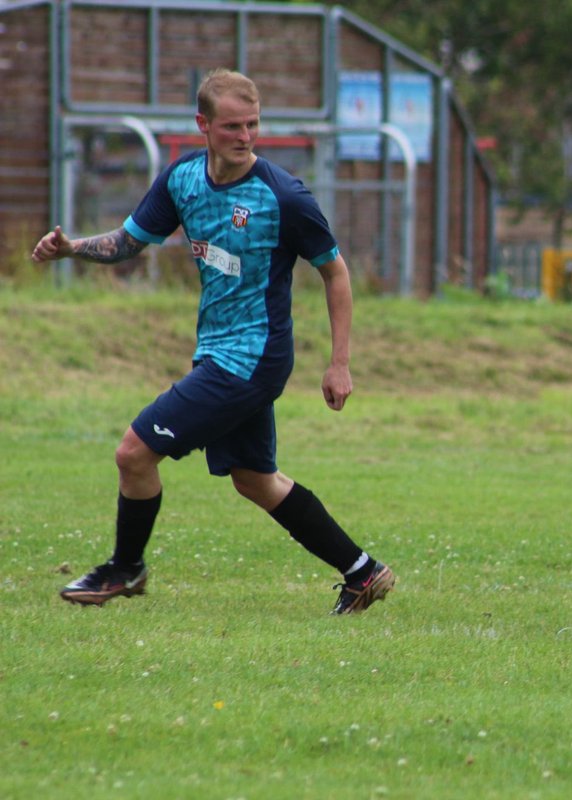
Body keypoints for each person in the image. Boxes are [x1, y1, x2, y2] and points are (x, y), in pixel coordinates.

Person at [31, 68, 394, 615]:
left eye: (252, 124)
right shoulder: (183, 180)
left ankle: (125, 569)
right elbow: (130, 242)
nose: (245, 136)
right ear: (202, 124)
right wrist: (71, 248)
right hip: (219, 351)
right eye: (231, 126)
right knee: (254, 478)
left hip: (252, 359)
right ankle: (364, 572)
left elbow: (336, 272)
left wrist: (339, 363)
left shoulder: (284, 197)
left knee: (134, 452)